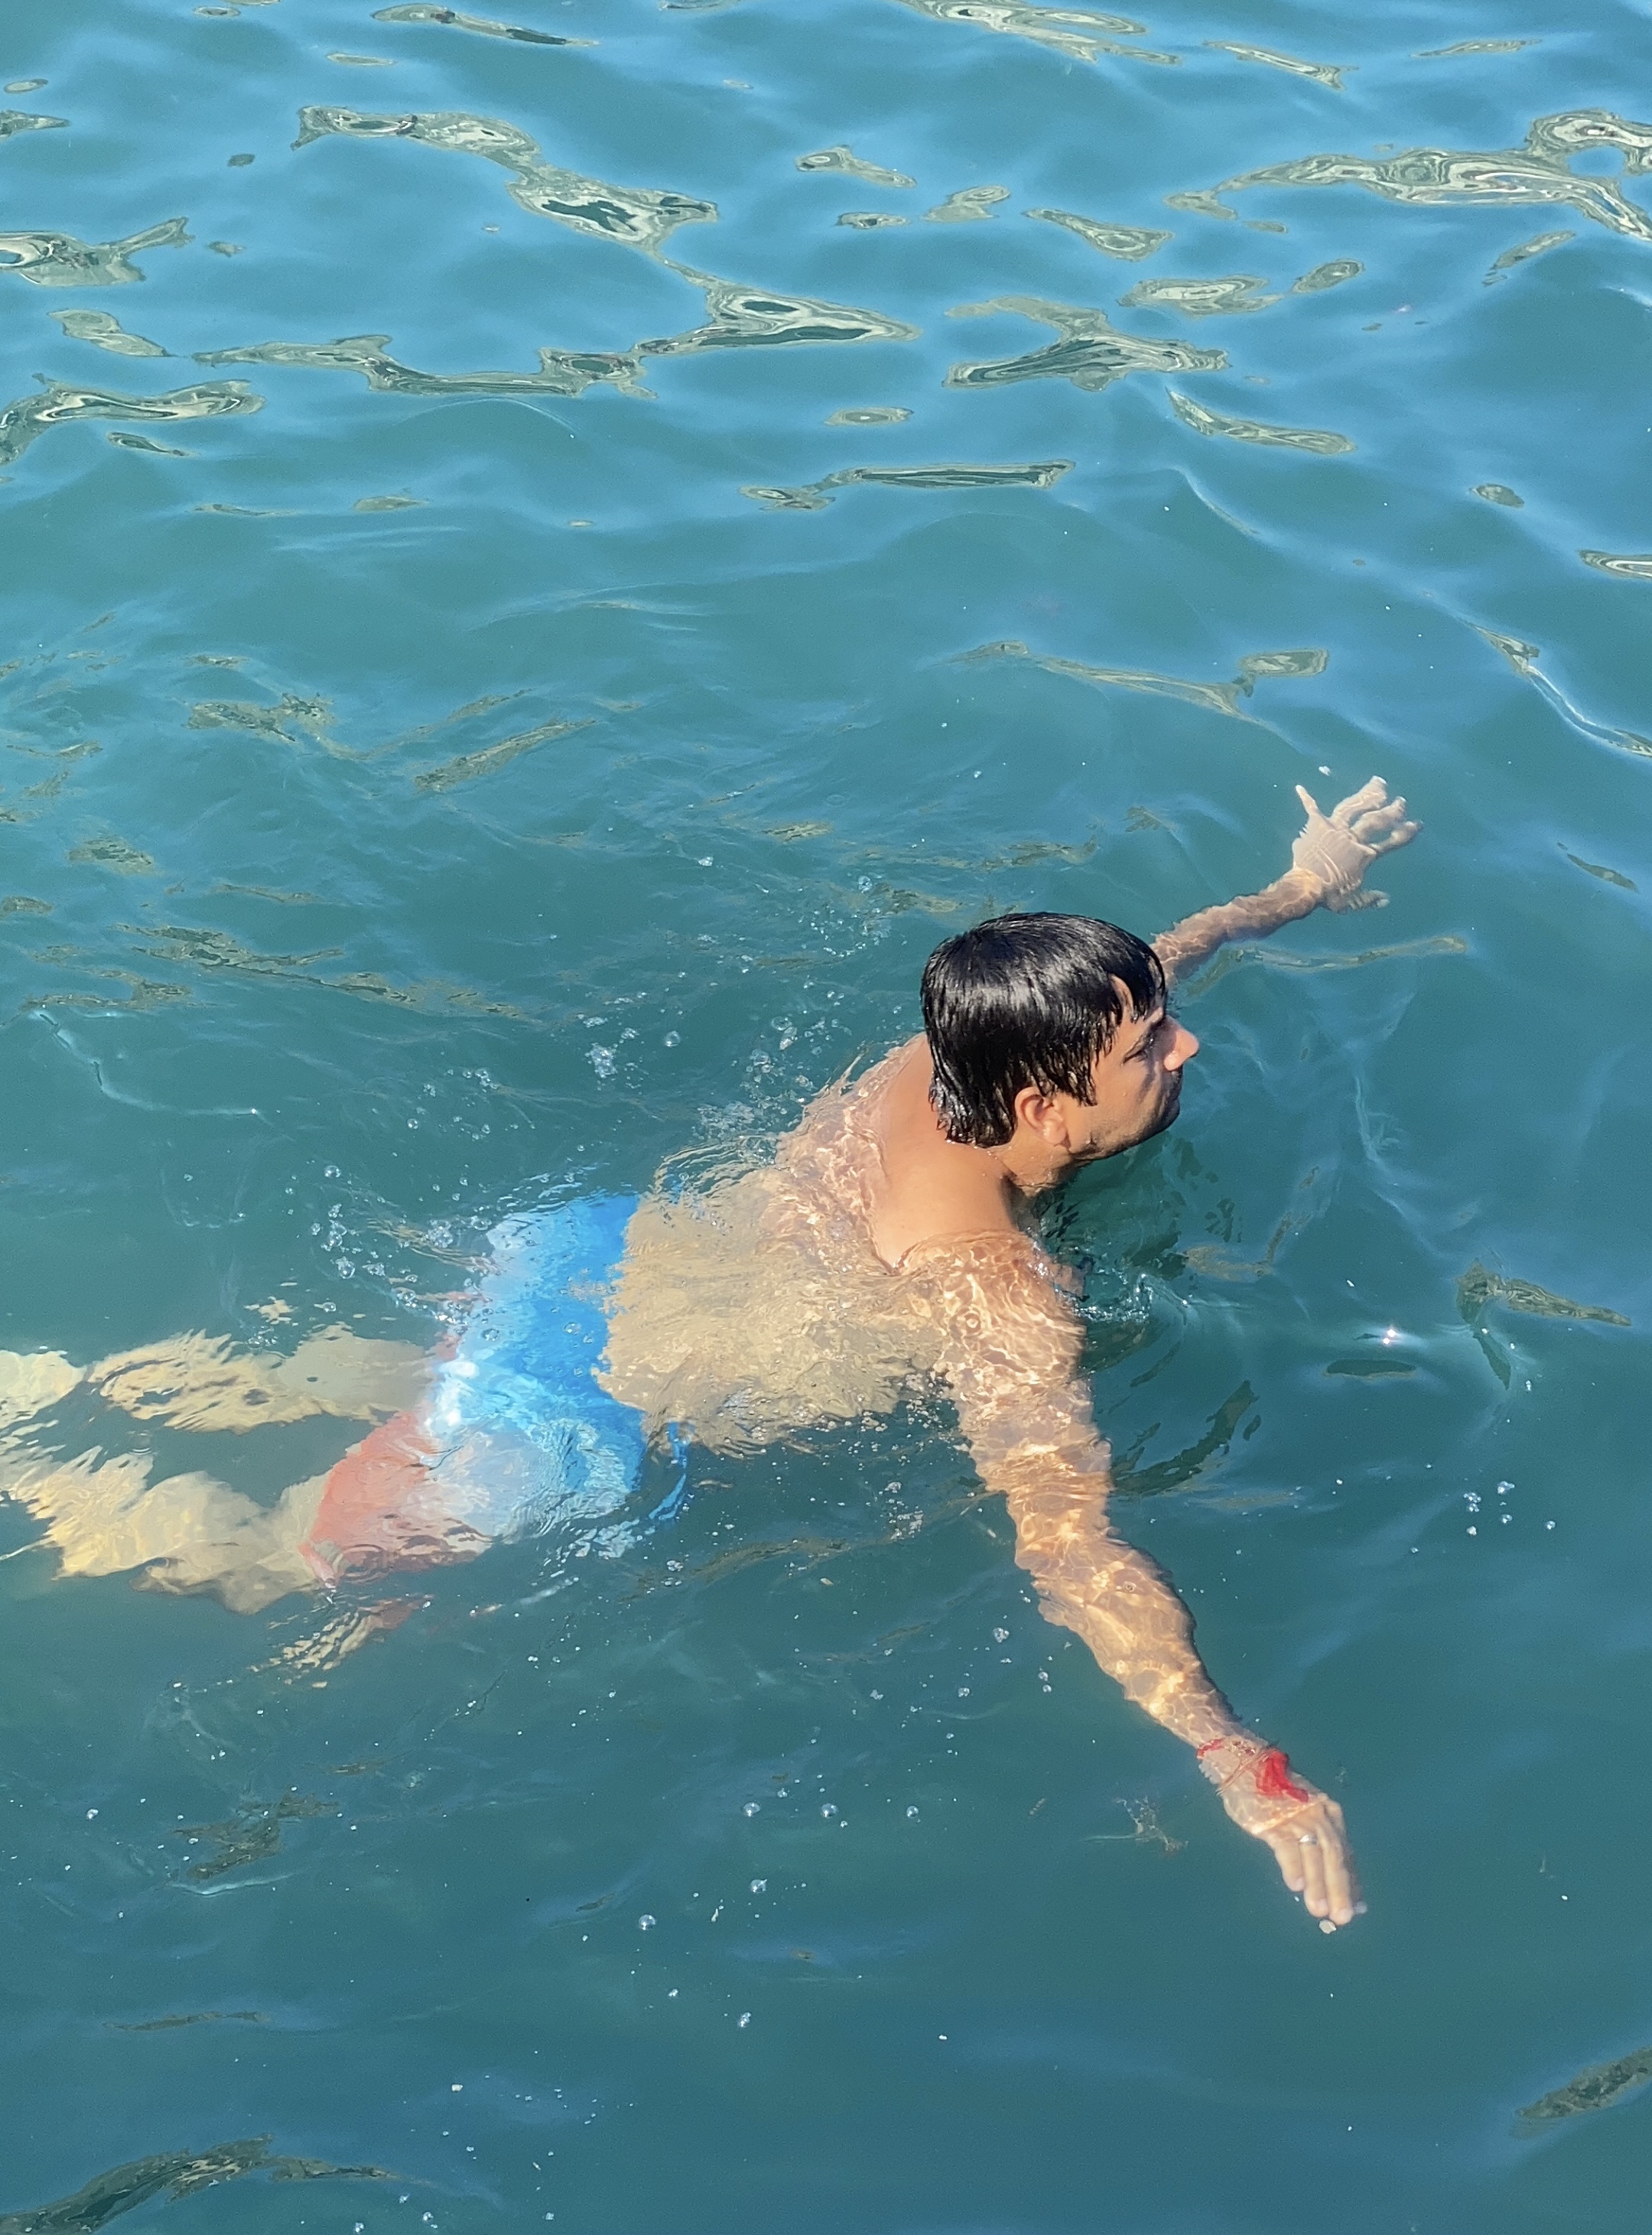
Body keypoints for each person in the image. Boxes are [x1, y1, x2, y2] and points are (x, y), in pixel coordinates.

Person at [0, 779, 1416, 1929]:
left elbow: (1182, 942)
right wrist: (1240, 1761)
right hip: (579, 1419)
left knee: (382, 1393)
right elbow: (1069, 1546)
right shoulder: (992, 1289)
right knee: (283, 1557)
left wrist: (1303, 884)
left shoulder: (945, 1052)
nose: (1185, 1046)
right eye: (1150, 1048)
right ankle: (58, 1475)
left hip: (586, 1253)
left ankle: (73, 1384)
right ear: (1047, 1106)